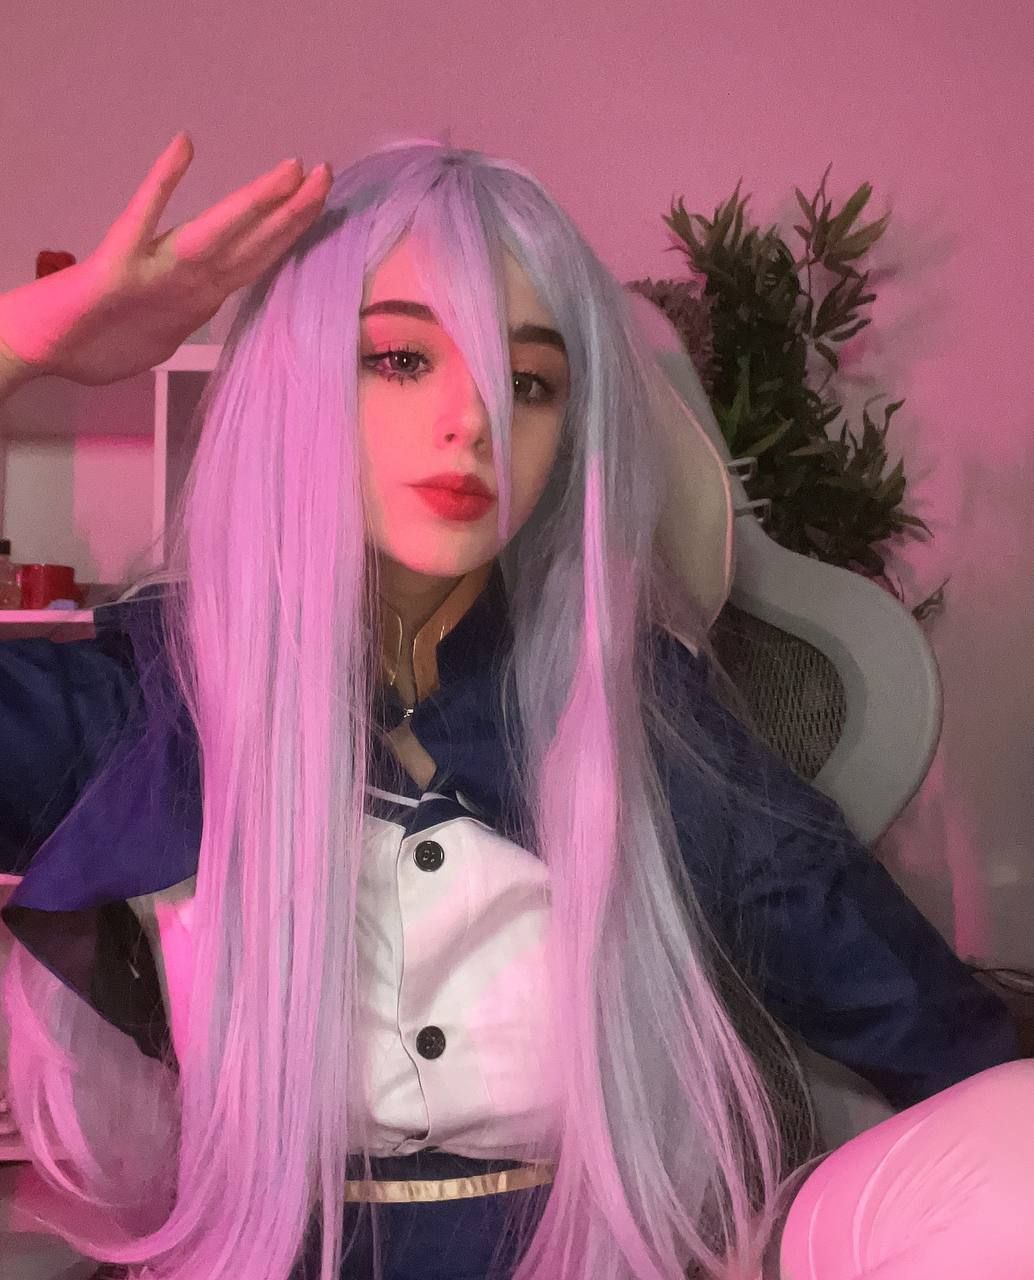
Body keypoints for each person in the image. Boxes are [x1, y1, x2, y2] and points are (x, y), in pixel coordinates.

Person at [0, 133, 1029, 1280]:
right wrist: (18, 346)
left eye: (528, 380)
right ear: (293, 380)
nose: (475, 414)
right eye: (400, 358)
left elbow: (909, 1006)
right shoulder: (152, 696)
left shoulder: (638, 715)